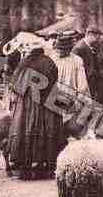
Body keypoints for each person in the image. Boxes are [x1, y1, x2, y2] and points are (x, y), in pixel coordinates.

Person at [8, 39, 63, 180]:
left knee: (25, 129)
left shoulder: (24, 63)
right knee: (46, 131)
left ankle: (25, 168)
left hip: (27, 103)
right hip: (46, 102)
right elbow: (53, 81)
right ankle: (44, 167)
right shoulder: (49, 62)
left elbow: (15, 84)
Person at [49, 32, 91, 138]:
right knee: (70, 134)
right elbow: (83, 87)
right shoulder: (76, 60)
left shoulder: (51, 59)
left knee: (56, 134)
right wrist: (84, 102)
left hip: (54, 102)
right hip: (70, 102)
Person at [71, 25, 101, 101]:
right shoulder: (79, 48)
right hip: (84, 84)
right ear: (89, 34)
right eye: (96, 37)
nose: (97, 39)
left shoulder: (91, 46)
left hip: (91, 83)